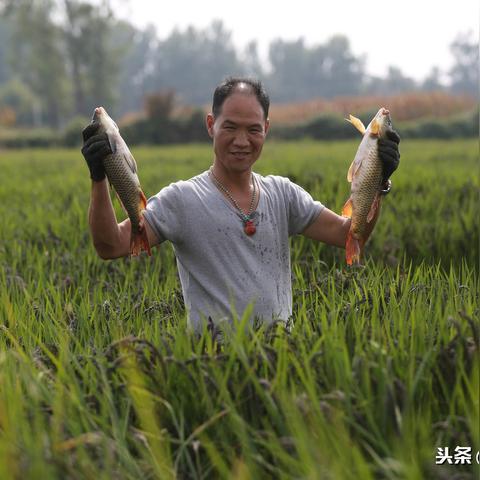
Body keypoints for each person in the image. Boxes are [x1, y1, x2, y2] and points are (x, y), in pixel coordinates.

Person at [81, 77, 400, 333]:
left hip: (280, 364)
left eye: (253, 129)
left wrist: (378, 182)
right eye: (230, 127)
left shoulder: (283, 194)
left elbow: (351, 235)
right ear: (211, 125)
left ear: (267, 130)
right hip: (213, 370)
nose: (242, 140)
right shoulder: (182, 200)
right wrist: (100, 177)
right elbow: (111, 246)